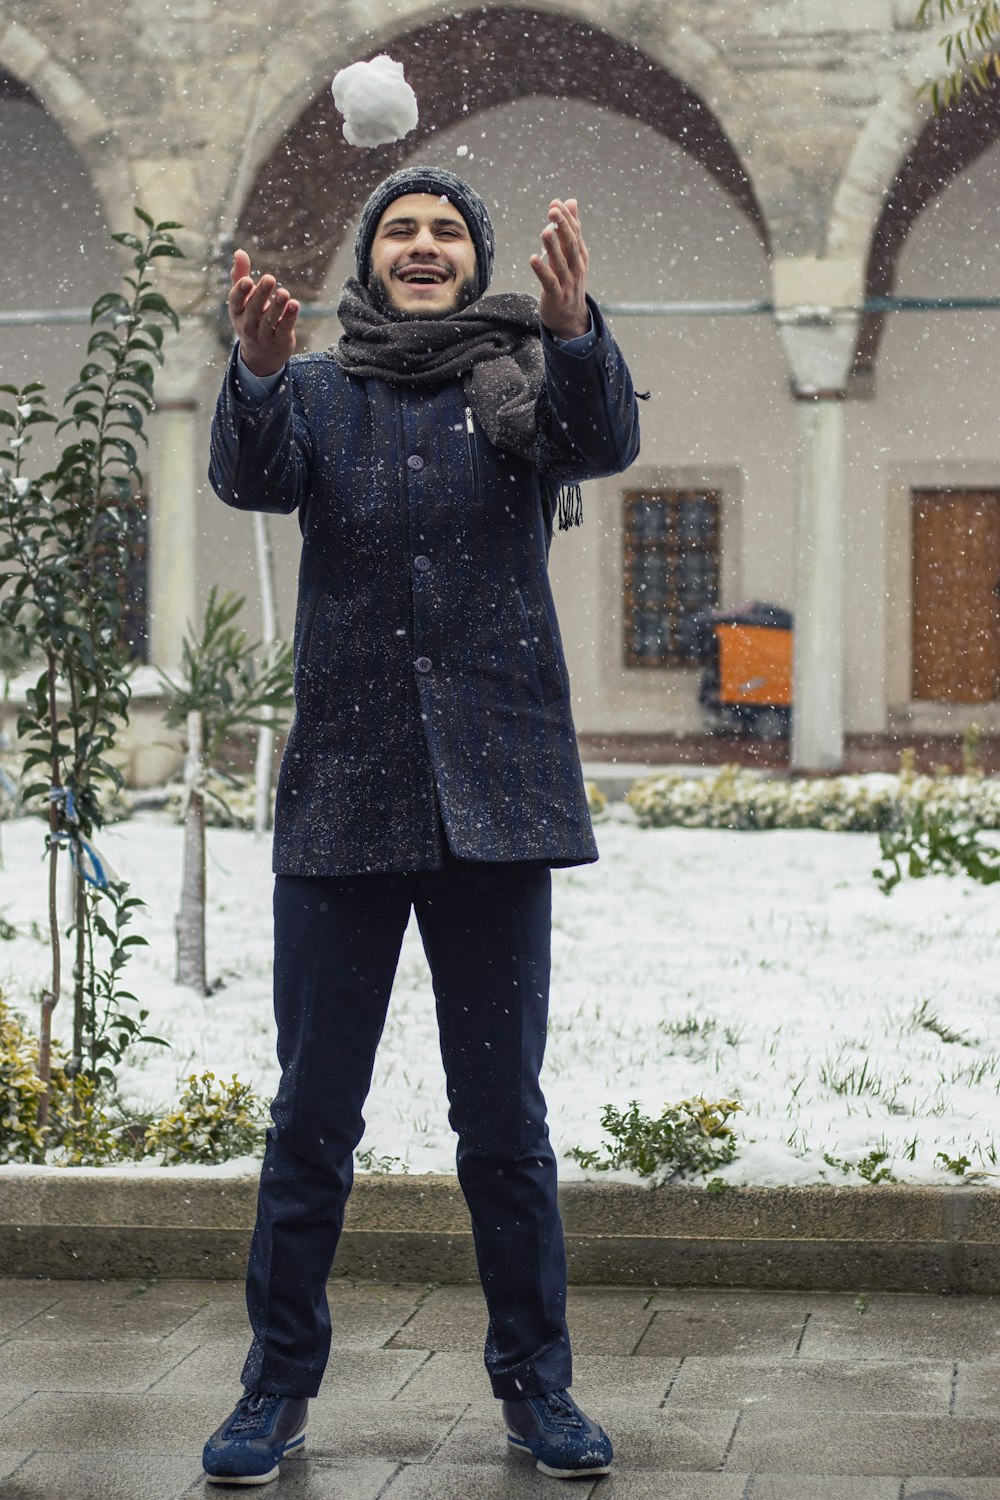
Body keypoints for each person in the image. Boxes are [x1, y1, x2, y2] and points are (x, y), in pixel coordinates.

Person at [202, 166, 641, 1486]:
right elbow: (248, 474)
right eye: (402, 231)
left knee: (502, 1118)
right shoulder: (324, 397)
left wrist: (572, 334)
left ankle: (538, 1390)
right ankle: (273, 1390)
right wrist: (264, 375)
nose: (425, 246)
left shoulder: (513, 387)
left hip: (495, 805)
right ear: (371, 260)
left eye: (448, 231)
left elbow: (602, 437)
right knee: (311, 1120)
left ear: (477, 256)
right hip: (344, 803)